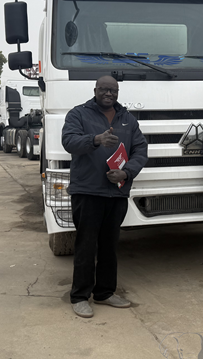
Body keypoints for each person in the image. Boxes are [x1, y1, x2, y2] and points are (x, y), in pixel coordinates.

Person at [62, 76, 148, 318]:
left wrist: (127, 172)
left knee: (110, 246)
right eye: (104, 89)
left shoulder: (127, 120)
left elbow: (140, 150)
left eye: (113, 90)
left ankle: (105, 293)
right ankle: (80, 296)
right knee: (86, 245)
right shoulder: (79, 114)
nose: (109, 93)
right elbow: (68, 141)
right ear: (95, 90)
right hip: (87, 192)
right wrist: (95, 140)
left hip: (116, 192)